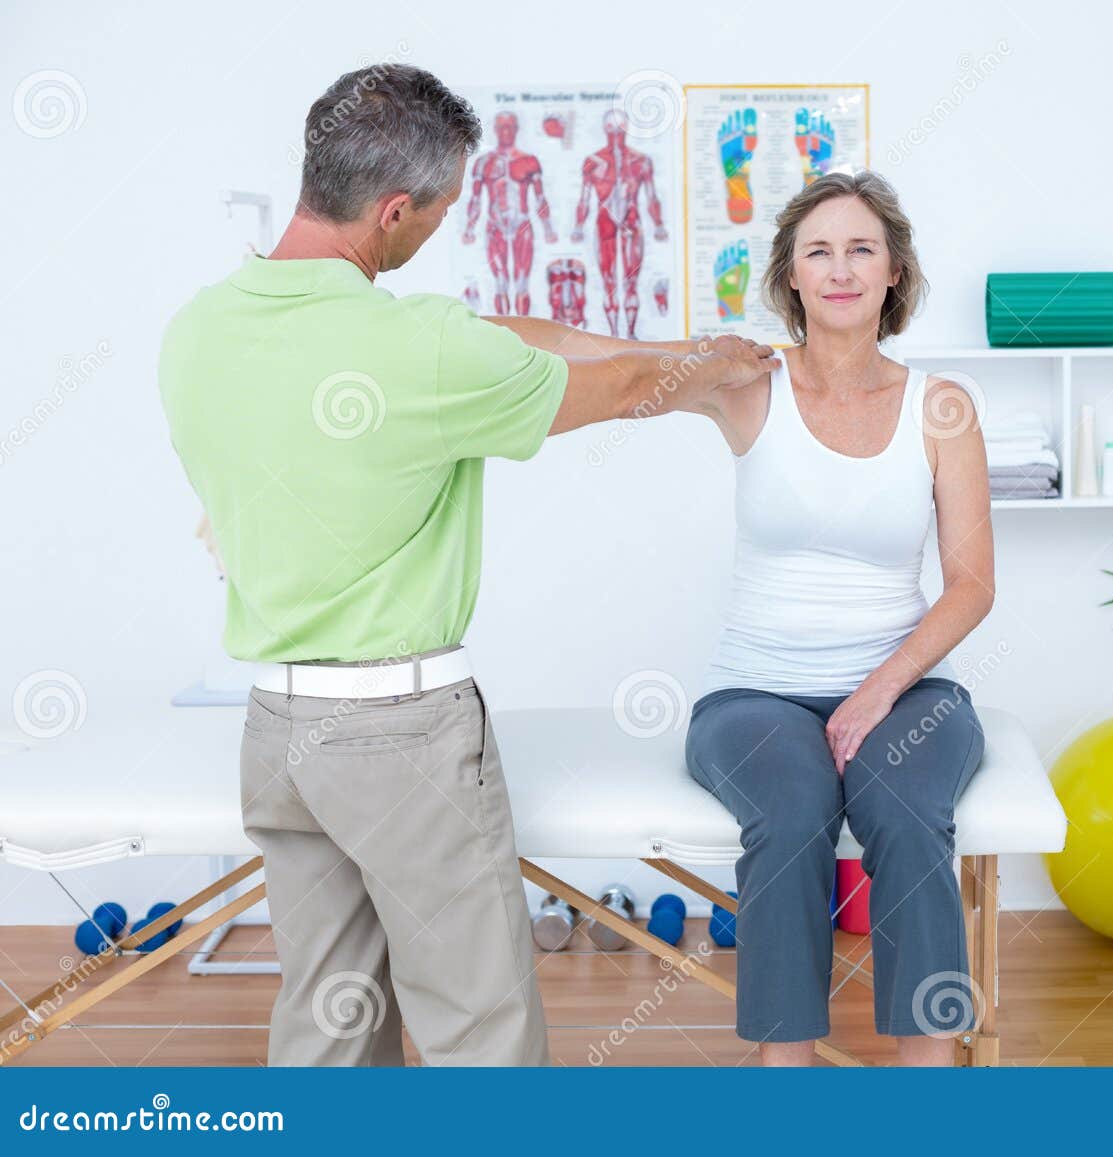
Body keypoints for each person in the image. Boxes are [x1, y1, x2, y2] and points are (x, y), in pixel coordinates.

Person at [158, 64, 775, 1067]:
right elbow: (618, 390)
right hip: (401, 736)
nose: (439, 230)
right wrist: (711, 370)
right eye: (439, 212)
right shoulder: (416, 350)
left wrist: (676, 340)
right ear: (395, 208)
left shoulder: (199, 331)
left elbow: (496, 337)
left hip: (278, 731)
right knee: (476, 1032)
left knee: (328, 1017)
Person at [683, 170, 995, 1066]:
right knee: (790, 811)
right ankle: (790, 1081)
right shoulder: (750, 389)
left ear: (895, 270)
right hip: (753, 693)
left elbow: (972, 582)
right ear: (790, 276)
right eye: (818, 251)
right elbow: (638, 383)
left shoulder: (942, 406)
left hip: (903, 689)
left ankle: (926, 1078)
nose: (841, 268)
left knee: (902, 808)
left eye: (862, 247)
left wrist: (874, 692)